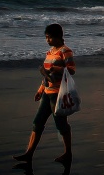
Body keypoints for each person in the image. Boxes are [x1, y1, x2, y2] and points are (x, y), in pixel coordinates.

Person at [14, 23, 76, 165]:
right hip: (47, 93)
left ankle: (68, 153)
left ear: (58, 37)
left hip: (58, 94)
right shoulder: (49, 53)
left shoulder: (65, 51)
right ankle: (29, 153)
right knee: (37, 123)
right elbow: (46, 75)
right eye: (46, 37)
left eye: (49, 37)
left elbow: (72, 70)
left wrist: (56, 68)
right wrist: (40, 90)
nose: (47, 40)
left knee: (61, 125)